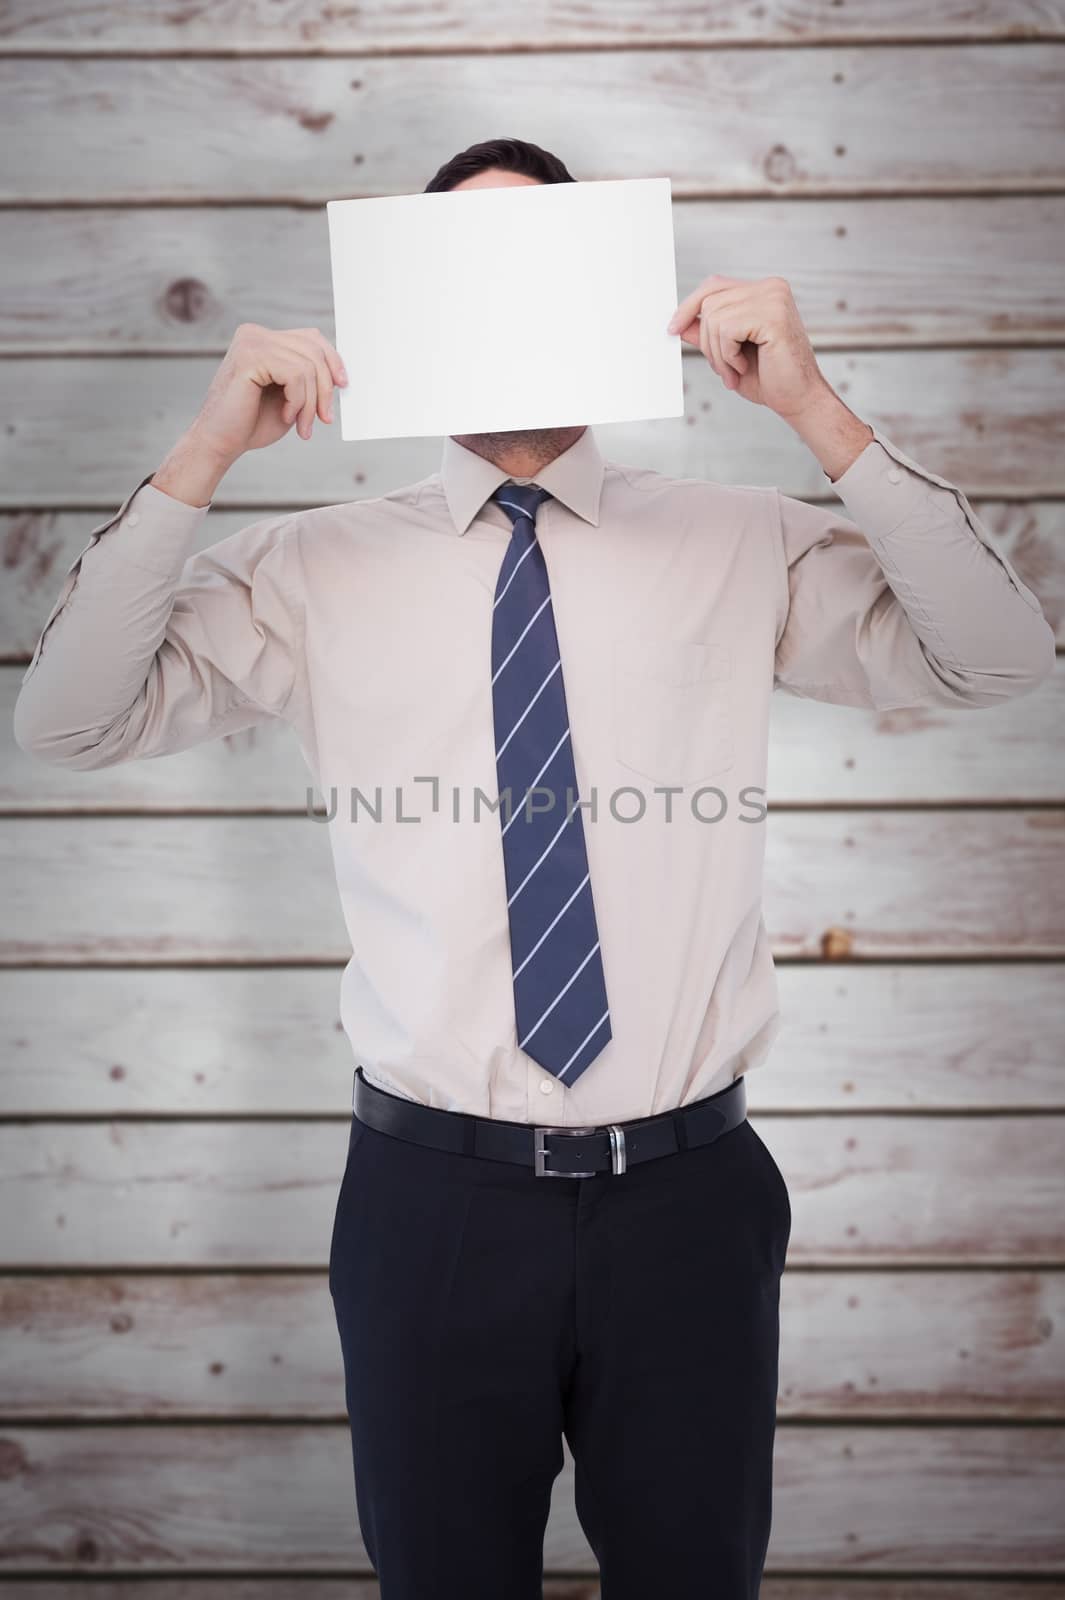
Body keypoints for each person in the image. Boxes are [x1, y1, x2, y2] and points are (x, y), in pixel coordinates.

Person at [13, 136, 1055, 1599]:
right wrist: (204, 455)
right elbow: (64, 722)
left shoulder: (737, 541)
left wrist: (814, 411)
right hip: (430, 1203)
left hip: (687, 1203)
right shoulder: (311, 568)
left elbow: (998, 656)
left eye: (539, 264)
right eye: (461, 271)